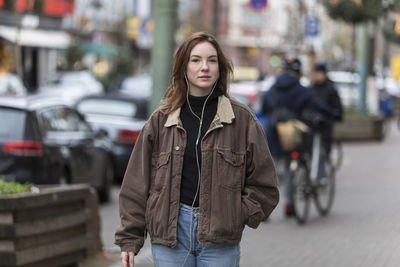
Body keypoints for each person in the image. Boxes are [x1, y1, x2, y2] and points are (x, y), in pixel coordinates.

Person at [115, 32, 279, 267]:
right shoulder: (160, 122)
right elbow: (135, 185)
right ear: (183, 66)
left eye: (212, 60)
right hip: (170, 235)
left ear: (220, 68)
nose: (205, 67)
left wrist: (235, 214)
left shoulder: (242, 120)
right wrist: (130, 239)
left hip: (219, 239)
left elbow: (265, 185)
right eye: (196, 60)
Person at [262, 57, 339, 217]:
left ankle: (265, 209)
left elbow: (263, 108)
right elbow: (317, 105)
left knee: (272, 171)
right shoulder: (301, 90)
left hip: (272, 132)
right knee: (292, 166)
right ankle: (289, 204)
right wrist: (333, 114)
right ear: (298, 73)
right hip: (291, 134)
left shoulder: (272, 88)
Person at [310, 63, 343, 154]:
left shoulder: (331, 89)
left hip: (326, 121)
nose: (317, 76)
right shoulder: (312, 88)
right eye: (316, 73)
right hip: (313, 121)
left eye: (319, 73)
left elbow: (337, 106)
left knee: (326, 142)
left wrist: (335, 115)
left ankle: (326, 157)